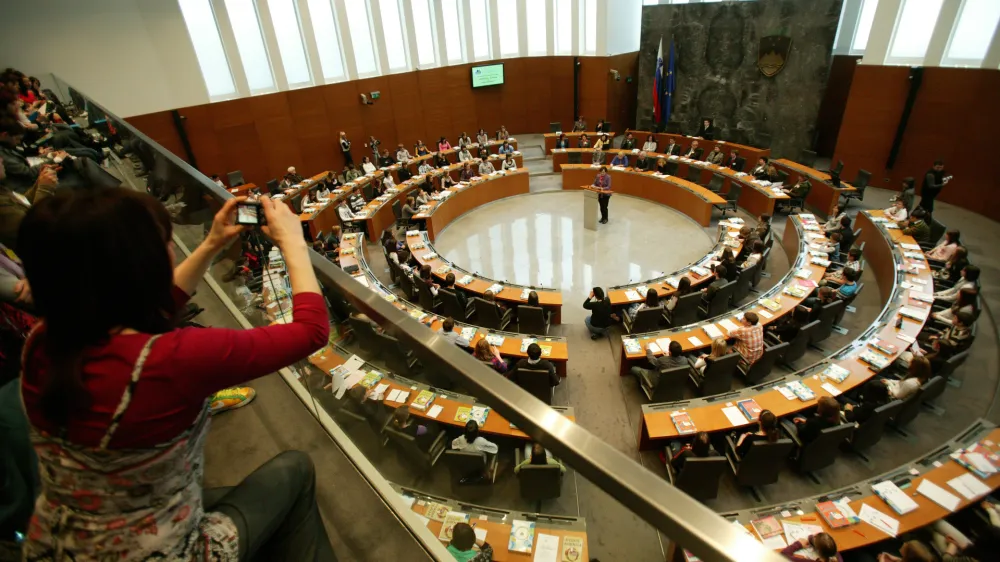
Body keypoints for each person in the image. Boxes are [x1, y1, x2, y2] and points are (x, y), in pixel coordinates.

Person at [17, 189, 334, 560]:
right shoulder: (169, 362)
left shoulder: (44, 338)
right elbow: (311, 330)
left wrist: (212, 242)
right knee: (294, 471)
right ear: (141, 267)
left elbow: (152, 304)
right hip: (167, 551)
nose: (171, 250)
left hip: (61, 542)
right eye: (165, 242)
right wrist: (294, 243)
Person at [0, 164, 57, 252]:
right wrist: (45, 189)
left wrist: (39, 182)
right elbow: (34, 231)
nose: (1, 159)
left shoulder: (2, 189)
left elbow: (23, 204)